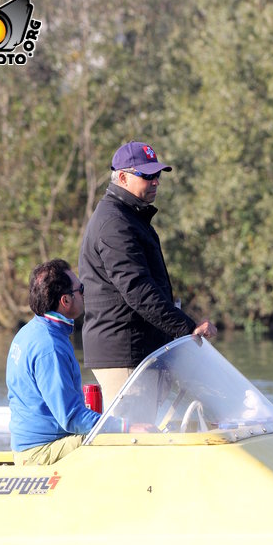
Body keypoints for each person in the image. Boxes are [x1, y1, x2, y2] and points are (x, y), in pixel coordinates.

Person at [79, 140, 217, 408]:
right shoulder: (114, 224)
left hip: (142, 350)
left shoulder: (130, 217)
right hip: (124, 353)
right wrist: (187, 327)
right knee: (132, 439)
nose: (155, 182)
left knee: (150, 433)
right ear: (122, 177)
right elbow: (138, 290)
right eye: (147, 175)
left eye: (157, 175)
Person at [6, 259, 101, 466]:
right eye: (81, 289)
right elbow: (72, 417)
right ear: (65, 301)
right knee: (114, 440)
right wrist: (121, 426)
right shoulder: (49, 346)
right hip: (40, 452)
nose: (84, 294)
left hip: (29, 446)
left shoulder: (29, 331)